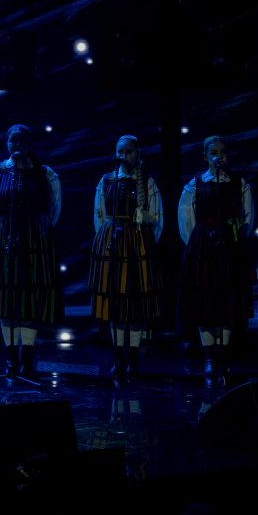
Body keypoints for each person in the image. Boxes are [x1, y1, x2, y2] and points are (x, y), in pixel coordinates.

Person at [0, 124, 63, 381]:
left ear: (30, 144)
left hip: (35, 240)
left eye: (22, 140)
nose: (17, 145)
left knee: (31, 296)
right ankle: (11, 357)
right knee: (6, 297)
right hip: (4, 238)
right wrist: (0, 228)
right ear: (7, 143)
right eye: (13, 140)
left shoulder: (46, 174)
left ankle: (27, 357)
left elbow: (54, 208)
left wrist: (38, 228)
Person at [177, 135, 255, 387]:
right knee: (206, 301)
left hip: (229, 245)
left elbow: (247, 216)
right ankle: (210, 356)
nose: (218, 156)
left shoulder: (238, 183)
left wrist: (235, 237)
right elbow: (186, 219)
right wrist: (198, 241)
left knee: (227, 300)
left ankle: (223, 353)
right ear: (205, 155)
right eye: (213, 152)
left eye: (222, 152)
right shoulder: (196, 184)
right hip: (204, 246)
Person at [89, 135, 163, 386]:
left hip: (138, 243)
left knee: (136, 303)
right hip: (114, 242)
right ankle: (119, 358)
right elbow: (100, 214)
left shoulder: (147, 182)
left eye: (129, 151)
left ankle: (133, 358)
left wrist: (144, 240)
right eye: (120, 151)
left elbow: (158, 218)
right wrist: (107, 237)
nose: (124, 156)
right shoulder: (106, 180)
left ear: (137, 153)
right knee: (116, 303)